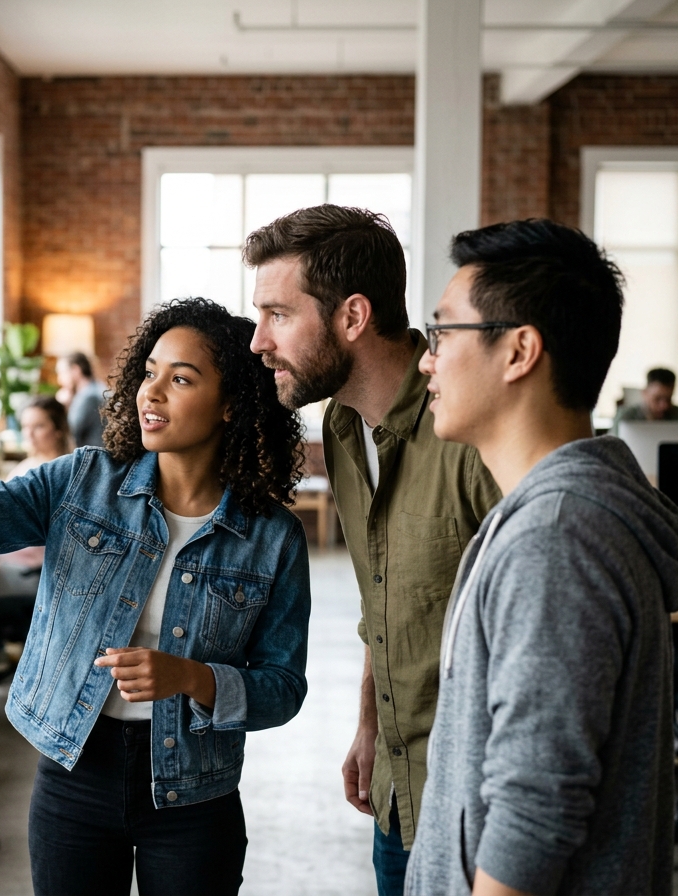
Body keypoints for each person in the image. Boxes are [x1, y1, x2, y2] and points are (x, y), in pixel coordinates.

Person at [0, 298, 311, 896]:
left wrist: (191, 677)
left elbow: (282, 688)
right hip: (74, 771)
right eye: (150, 371)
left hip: (195, 792)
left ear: (233, 403)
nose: (151, 393)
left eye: (181, 379)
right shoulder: (83, 480)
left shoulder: (271, 537)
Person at [406, 220, 678, 895]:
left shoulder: (556, 537)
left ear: (518, 351)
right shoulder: (552, 518)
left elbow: (535, 807)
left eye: (442, 332)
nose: (428, 358)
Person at [244, 204, 500, 895]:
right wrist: (368, 721)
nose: (257, 341)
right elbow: (383, 595)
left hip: (483, 813)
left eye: (277, 314)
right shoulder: (341, 426)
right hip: (398, 789)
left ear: (352, 317)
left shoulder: (473, 436)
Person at [0, 394, 71, 607]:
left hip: (35, 571)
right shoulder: (32, 464)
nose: (29, 434)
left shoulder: (58, 472)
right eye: (25, 426)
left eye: (38, 426)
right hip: (13, 557)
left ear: (58, 430)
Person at [613, 366, 678, 428]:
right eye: (657, 399)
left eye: (668, 399)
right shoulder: (625, 418)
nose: (664, 406)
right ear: (644, 393)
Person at [56, 350, 106, 447]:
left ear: (76, 370)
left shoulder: (88, 398)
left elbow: (67, 435)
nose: (59, 379)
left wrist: (62, 408)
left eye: (62, 373)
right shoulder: (99, 388)